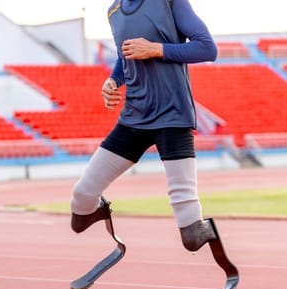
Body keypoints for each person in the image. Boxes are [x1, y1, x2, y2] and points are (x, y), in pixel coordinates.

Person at [70, 0, 223, 253]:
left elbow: (207, 49)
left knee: (192, 237)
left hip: (173, 117)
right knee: (81, 200)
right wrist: (112, 80)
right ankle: (100, 211)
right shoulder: (113, 11)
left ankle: (208, 232)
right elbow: (124, 55)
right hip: (133, 119)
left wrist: (155, 49)